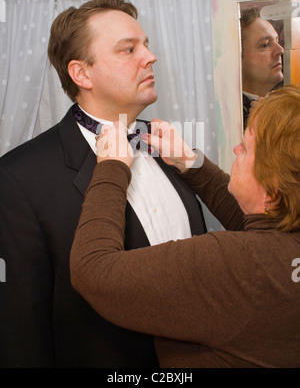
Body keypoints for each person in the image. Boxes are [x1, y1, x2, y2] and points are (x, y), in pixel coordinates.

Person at [0, 0, 207, 368]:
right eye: (129, 49)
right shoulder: (18, 179)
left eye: (146, 44)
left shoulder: (169, 146)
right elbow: (21, 328)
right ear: (82, 73)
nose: (150, 56)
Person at [70, 85, 300, 368]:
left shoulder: (235, 265)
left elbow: (93, 271)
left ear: (274, 191)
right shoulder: (282, 249)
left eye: (247, 149)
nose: (235, 148)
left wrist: (111, 167)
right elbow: (264, 230)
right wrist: (191, 162)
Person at [240, 6, 284, 128]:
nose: (280, 50)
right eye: (265, 45)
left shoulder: (283, 106)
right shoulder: (230, 117)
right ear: (237, 57)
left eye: (277, 40)